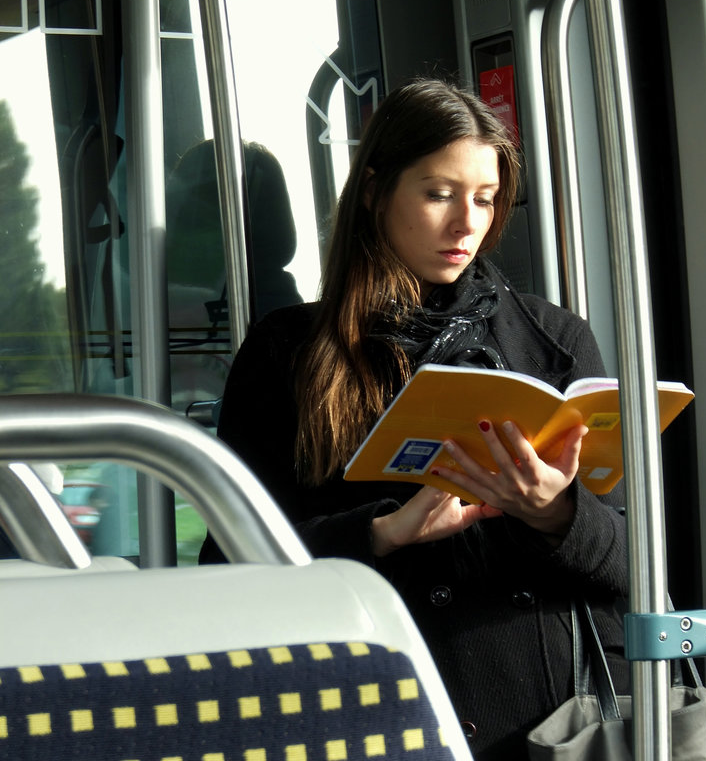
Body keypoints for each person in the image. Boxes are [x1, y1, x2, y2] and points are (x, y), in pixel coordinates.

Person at [200, 78, 628, 759]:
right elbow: (226, 560)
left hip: (542, 722)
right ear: (374, 191)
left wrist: (554, 513)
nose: (467, 223)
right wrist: (380, 535)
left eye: (484, 199)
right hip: (365, 702)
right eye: (438, 194)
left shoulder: (553, 340)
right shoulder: (289, 351)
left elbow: (632, 560)